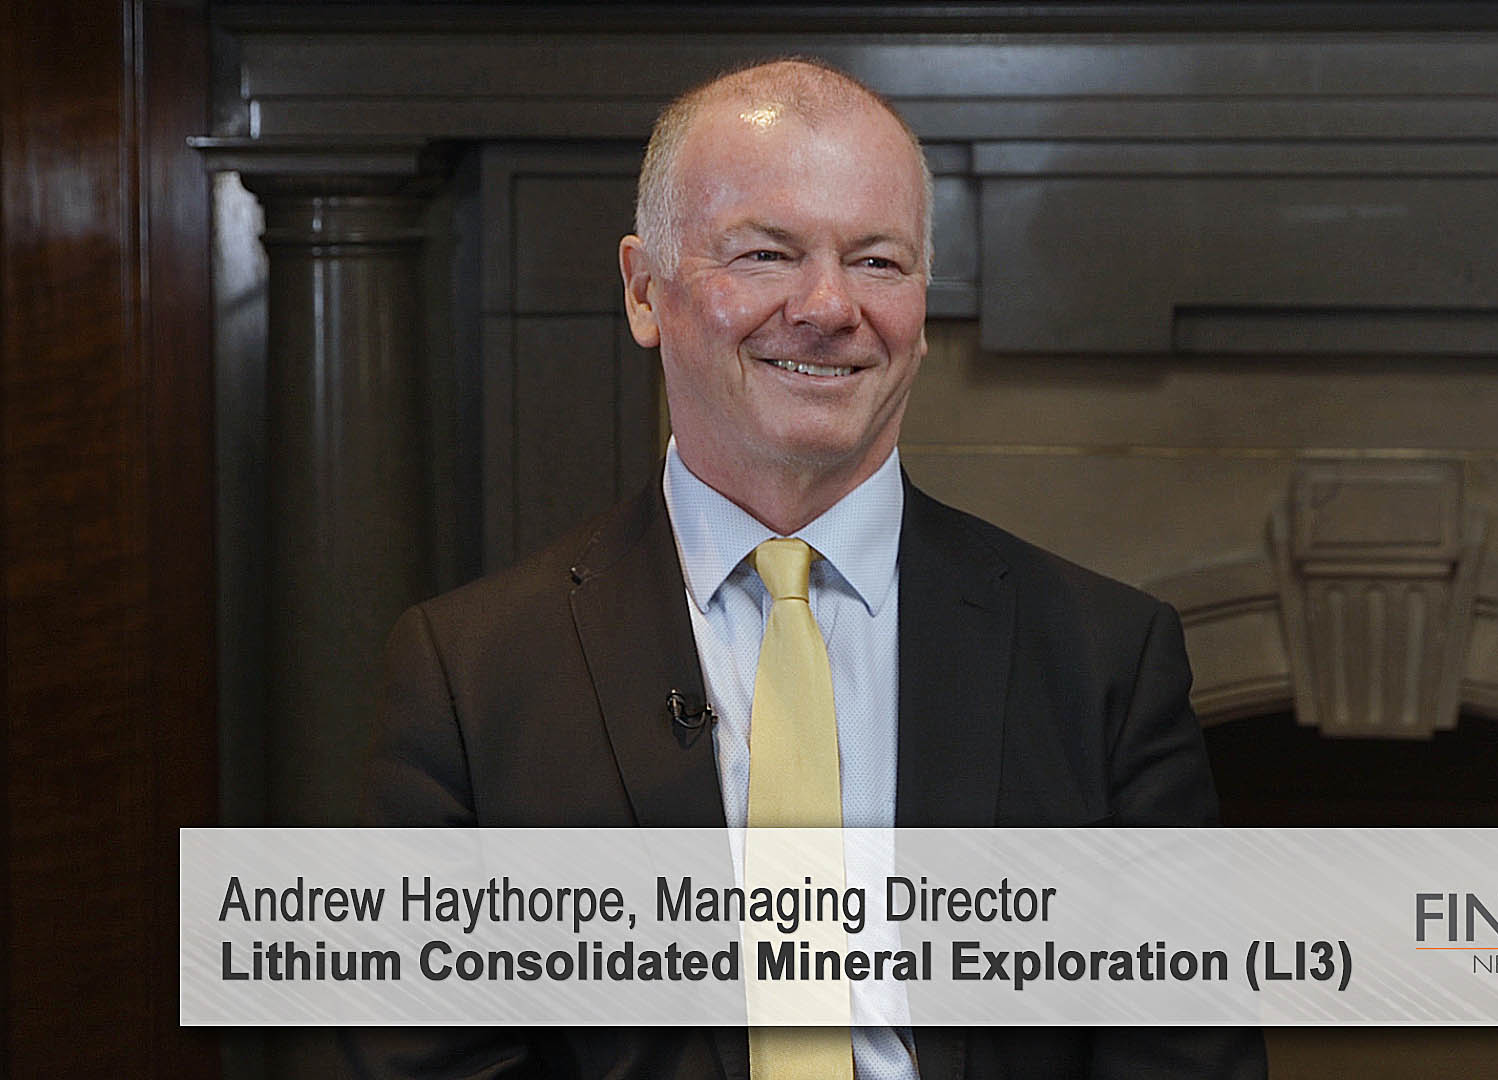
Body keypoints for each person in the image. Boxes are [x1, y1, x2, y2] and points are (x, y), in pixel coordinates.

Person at [347, 58, 1266, 1080]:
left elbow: (1189, 1058)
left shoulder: (1106, 661)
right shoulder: (472, 676)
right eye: (767, 254)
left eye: (877, 261)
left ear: (922, 307)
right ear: (645, 291)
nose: (829, 306)